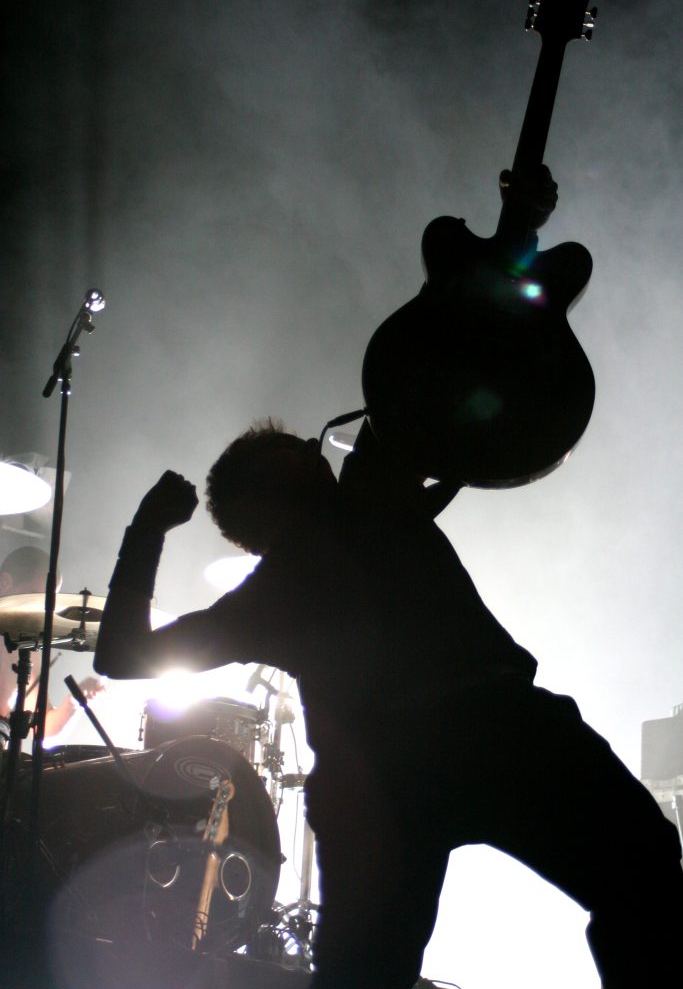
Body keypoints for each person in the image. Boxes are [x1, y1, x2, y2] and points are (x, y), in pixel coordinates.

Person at [94, 171, 683, 989]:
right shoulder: (363, 502)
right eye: (296, 454)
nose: (314, 450)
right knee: (645, 868)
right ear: (275, 501)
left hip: (384, 780)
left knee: (362, 974)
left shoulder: (269, 595)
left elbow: (123, 656)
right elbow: (460, 343)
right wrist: (516, 233)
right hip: (494, 731)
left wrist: (145, 533)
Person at [0, 546, 104, 742]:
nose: (41, 609)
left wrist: (75, 702)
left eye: (47, 602)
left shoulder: (28, 648)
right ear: (4, 583)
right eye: (33, 595)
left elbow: (44, 731)